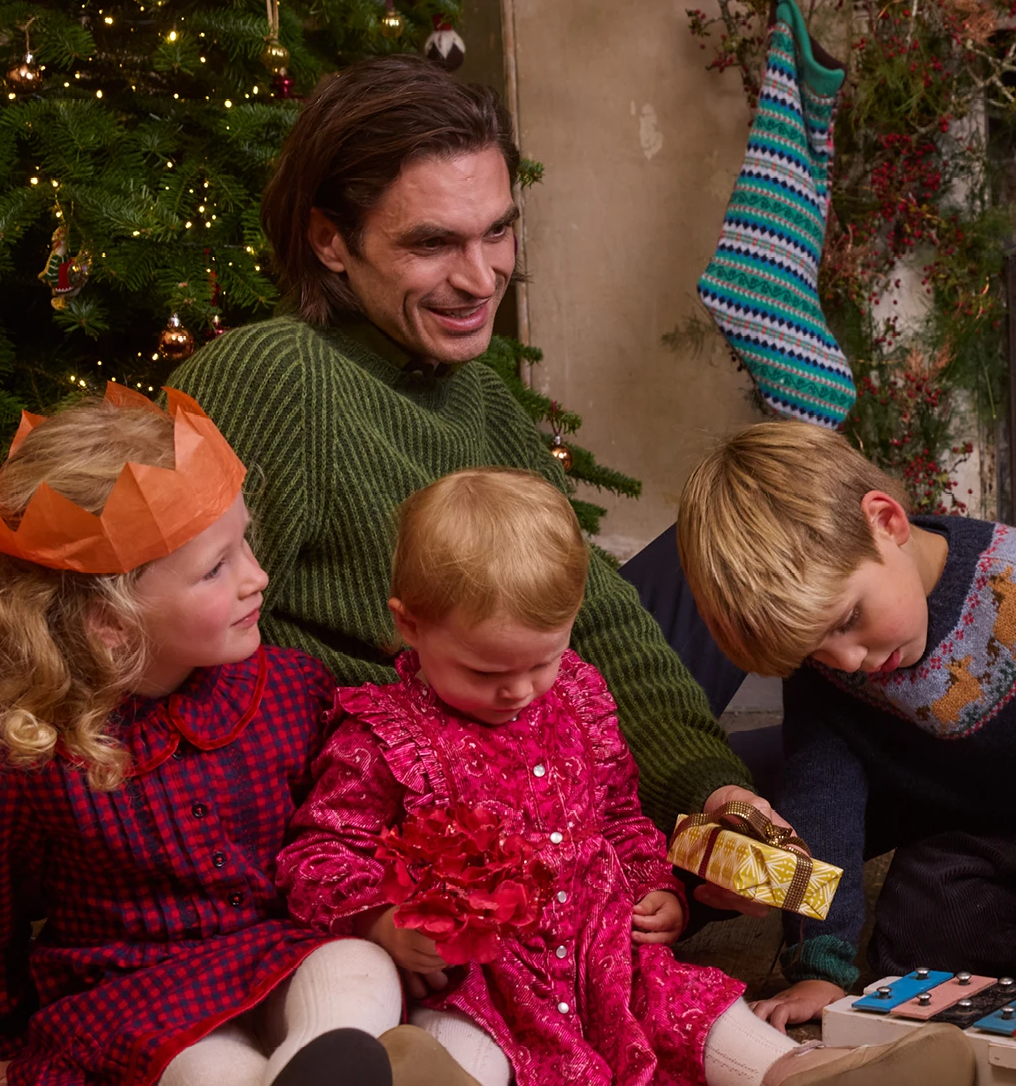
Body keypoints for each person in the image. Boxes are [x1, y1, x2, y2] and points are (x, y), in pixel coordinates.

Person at [165, 56, 778, 883]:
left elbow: (593, 618)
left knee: (736, 552)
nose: (482, 276)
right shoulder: (276, 372)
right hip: (402, 801)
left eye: (497, 230)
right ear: (330, 241)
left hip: (529, 733)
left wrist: (710, 794)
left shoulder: (481, 400)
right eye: (432, 243)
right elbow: (175, 638)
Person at [277, 468, 974, 1086]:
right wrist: (383, 921)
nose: (521, 689)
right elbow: (317, 853)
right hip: (480, 974)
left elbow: (617, 814)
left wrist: (657, 887)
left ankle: (804, 1070)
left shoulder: (577, 696)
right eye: (487, 671)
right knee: (471, 1044)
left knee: (700, 1012)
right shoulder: (382, 735)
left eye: (542, 660)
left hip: (605, 952)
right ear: (410, 626)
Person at [0, 388, 448, 1086]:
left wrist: (378, 915)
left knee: (356, 964)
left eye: (244, 542)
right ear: (111, 622)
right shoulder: (25, 758)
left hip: (277, 953)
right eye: (217, 567)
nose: (258, 576)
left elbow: (350, 824)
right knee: (201, 1067)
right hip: (140, 995)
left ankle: (329, 1060)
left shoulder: (287, 689)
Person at [674, 422, 1016, 1027]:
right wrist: (820, 969)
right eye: (816, 652)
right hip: (956, 836)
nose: (850, 662)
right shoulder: (828, 661)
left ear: (888, 523)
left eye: (851, 618)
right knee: (911, 959)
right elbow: (821, 803)